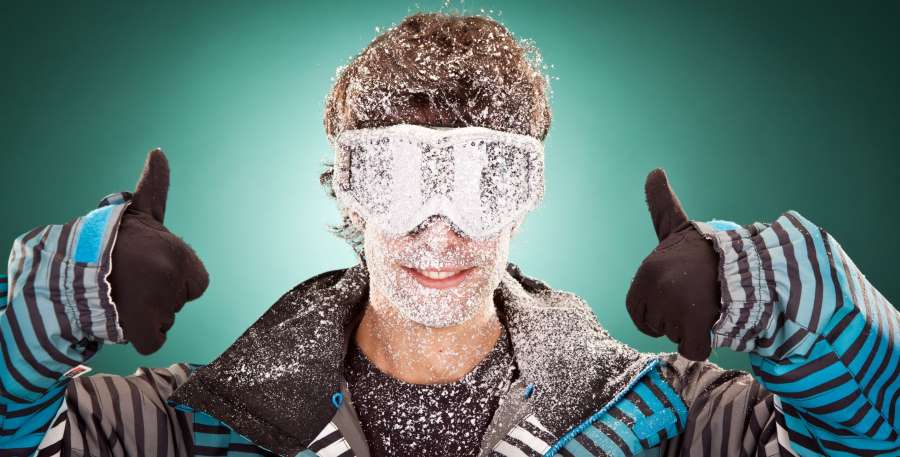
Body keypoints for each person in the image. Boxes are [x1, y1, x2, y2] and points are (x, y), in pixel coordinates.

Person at [1, 11, 897, 457]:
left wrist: (771, 286)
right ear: (347, 189)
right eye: (396, 176)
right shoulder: (188, 425)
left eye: (487, 177)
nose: (441, 227)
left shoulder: (669, 419)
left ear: (527, 192)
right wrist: (72, 284)